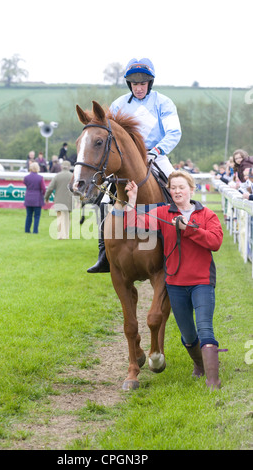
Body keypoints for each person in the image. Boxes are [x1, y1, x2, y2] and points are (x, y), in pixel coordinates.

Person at [125, 170, 224, 390]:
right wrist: (132, 200)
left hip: (202, 281)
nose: (177, 191)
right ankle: (199, 365)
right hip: (176, 284)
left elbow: (215, 242)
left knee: (205, 328)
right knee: (188, 334)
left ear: (191, 189)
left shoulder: (207, 214)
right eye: (173, 187)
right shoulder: (163, 213)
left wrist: (188, 229)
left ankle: (213, 380)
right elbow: (134, 224)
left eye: (181, 187)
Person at [87, 57, 182, 273]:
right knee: (103, 200)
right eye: (135, 84)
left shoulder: (163, 103)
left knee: (179, 190)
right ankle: (104, 254)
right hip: (125, 160)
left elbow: (174, 132)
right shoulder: (119, 104)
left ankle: (182, 246)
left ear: (150, 83)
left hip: (156, 156)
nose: (139, 88)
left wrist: (156, 151)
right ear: (129, 84)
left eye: (143, 83)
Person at [45, 160, 73, 239]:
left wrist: (46, 198)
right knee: (66, 217)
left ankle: (60, 235)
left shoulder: (57, 176)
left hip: (59, 200)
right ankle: (66, 235)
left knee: (60, 217)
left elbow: (50, 188)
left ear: (61, 167)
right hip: (68, 200)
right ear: (69, 167)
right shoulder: (72, 176)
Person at [24, 162, 46, 234]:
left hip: (28, 197)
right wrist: (42, 195)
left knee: (29, 215)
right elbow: (43, 189)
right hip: (37, 198)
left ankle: (27, 230)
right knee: (37, 216)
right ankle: (35, 230)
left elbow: (26, 184)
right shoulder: (40, 178)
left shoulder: (26, 177)